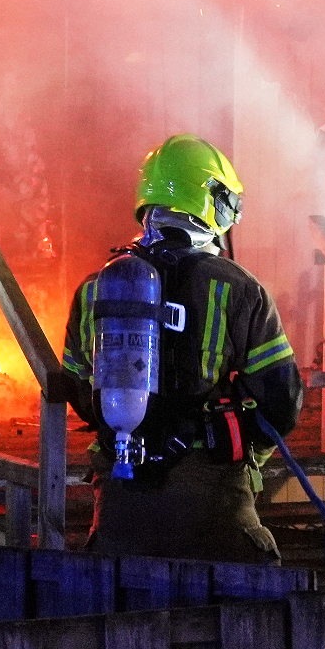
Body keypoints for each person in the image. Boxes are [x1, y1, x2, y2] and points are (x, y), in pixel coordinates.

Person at [60, 134, 303, 564]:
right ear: (211, 200)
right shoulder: (239, 289)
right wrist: (247, 460)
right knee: (260, 606)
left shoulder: (96, 289)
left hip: (121, 502)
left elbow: (82, 393)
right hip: (213, 501)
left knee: (118, 613)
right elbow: (281, 402)